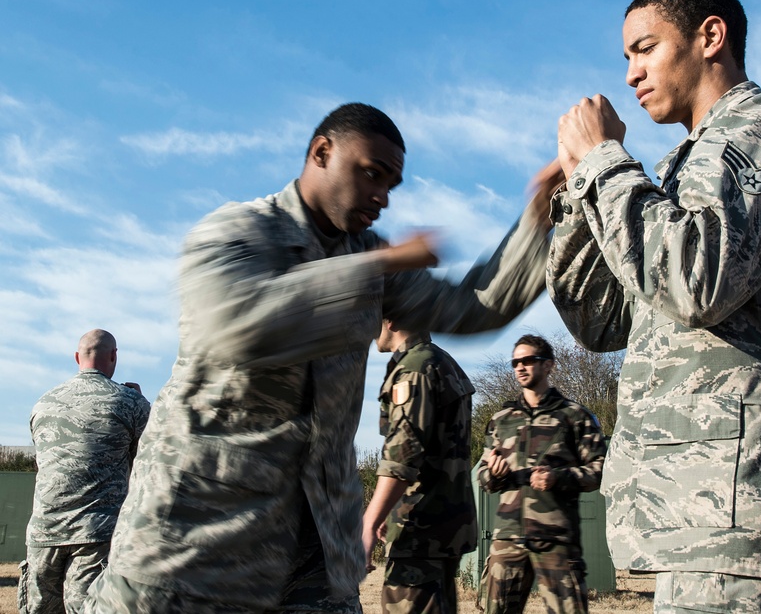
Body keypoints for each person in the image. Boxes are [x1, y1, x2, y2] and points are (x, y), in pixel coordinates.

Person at [84, 103, 560, 614]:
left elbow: (472, 307)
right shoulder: (235, 232)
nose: (381, 197)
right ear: (322, 152)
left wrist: (536, 218)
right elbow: (241, 325)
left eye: (392, 185)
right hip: (195, 545)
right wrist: (378, 263)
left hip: (314, 554)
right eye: (371, 174)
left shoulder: (367, 254)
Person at [546, 0, 761, 613]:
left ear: (710, 37)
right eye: (625, 58)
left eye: (644, 48)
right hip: (697, 525)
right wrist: (575, 195)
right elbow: (602, 319)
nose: (630, 74)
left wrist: (604, 164)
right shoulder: (674, 172)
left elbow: (694, 279)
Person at [19, 329, 149, 614]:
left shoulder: (43, 403)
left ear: (77, 357)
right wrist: (141, 404)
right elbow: (147, 460)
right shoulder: (129, 402)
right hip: (96, 533)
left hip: (44, 531)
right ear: (113, 356)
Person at [477, 334, 606, 614]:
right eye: (515, 362)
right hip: (507, 539)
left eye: (528, 360)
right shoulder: (501, 420)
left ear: (548, 366)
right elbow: (484, 479)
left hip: (556, 539)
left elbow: (599, 471)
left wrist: (557, 478)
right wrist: (494, 474)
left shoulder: (574, 416)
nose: (520, 367)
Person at [362, 319, 477, 613]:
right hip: (442, 528)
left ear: (391, 320)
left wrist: (368, 522)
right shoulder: (440, 361)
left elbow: (402, 458)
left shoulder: (414, 369)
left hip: (419, 532)